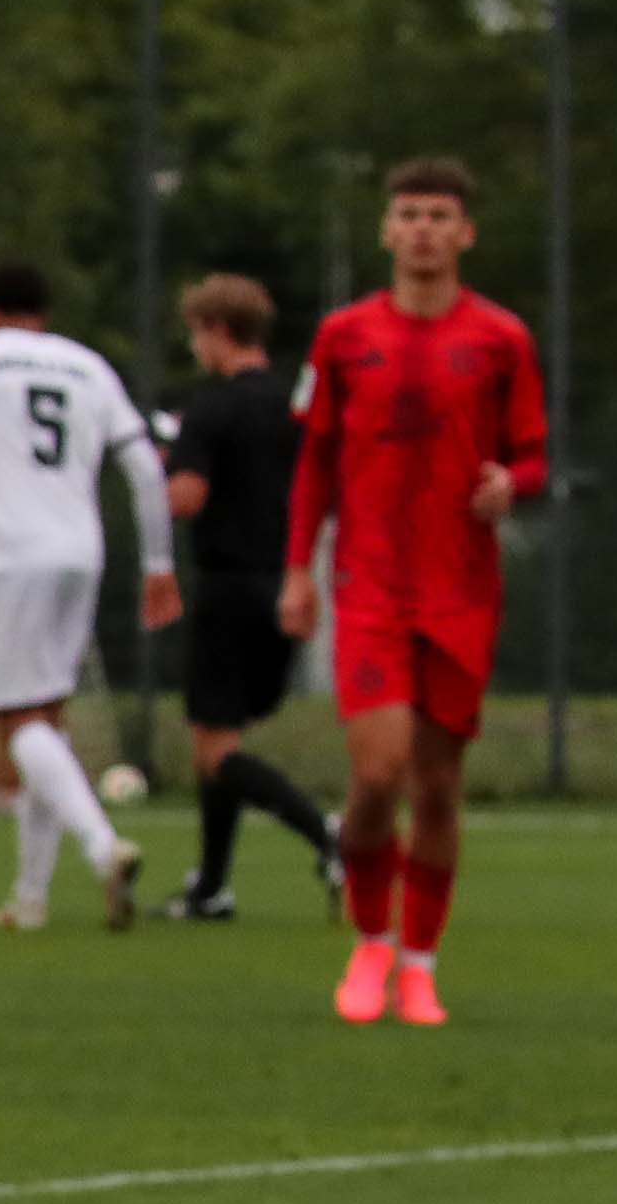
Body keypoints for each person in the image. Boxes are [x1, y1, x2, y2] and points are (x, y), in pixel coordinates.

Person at [292, 158, 549, 1028]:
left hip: (461, 590)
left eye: (441, 214)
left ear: (466, 233)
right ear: (386, 231)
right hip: (367, 585)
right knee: (378, 773)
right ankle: (369, 940)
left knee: (437, 789)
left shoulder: (503, 339)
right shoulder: (341, 336)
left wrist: (511, 482)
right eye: (410, 214)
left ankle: (420, 965)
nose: (425, 229)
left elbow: (535, 457)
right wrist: (298, 571)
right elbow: (315, 460)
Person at [0, 263, 171, 933]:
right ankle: (30, 898)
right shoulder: (90, 367)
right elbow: (142, 469)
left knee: (17, 724)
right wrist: (160, 563)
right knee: (46, 719)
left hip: (14, 556)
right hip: (82, 552)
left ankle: (103, 846)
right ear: (46, 310)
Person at [158, 274, 338, 922]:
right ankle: (211, 887)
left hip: (228, 585)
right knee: (223, 735)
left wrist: (155, 466)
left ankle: (327, 835)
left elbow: (187, 498)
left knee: (215, 750)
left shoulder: (211, 409)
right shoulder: (297, 406)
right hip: (288, 582)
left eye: (196, 332)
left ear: (217, 331)